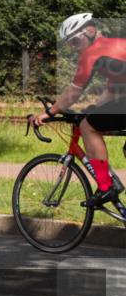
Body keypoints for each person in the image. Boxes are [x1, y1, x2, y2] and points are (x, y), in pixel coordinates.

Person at [33, 13, 126, 206]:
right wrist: (95, 108)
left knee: (88, 127)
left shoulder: (92, 53)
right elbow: (112, 88)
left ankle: (105, 186)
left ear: (90, 31)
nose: (73, 49)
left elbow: (74, 92)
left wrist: (50, 112)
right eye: (69, 45)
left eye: (75, 42)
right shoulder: (114, 46)